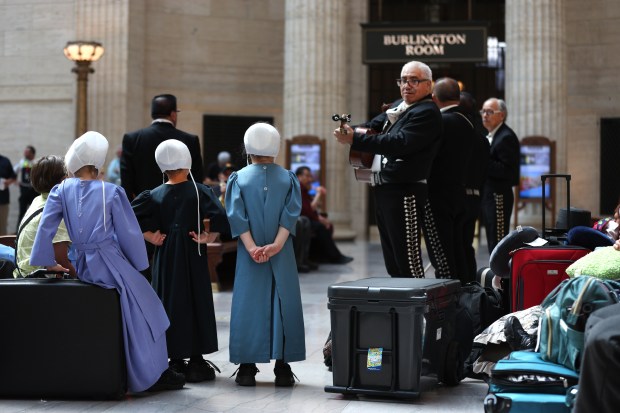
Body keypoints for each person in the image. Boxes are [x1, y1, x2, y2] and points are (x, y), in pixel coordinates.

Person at [30, 131, 184, 393]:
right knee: (146, 307)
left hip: (80, 263)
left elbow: (46, 228)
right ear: (97, 164)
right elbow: (129, 234)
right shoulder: (111, 191)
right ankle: (153, 373)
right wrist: (139, 264)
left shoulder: (60, 190)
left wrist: (45, 261)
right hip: (108, 263)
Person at [132, 139, 230, 383]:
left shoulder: (152, 195)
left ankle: (173, 358)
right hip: (192, 252)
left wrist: (150, 236)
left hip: (165, 256)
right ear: (187, 163)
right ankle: (196, 359)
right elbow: (221, 219)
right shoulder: (199, 191)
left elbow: (128, 218)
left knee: (168, 300)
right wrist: (208, 237)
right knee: (196, 298)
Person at [333, 60, 442, 277]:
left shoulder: (427, 112)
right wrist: (348, 130)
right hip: (385, 187)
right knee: (392, 258)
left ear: (429, 85)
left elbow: (399, 143)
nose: (406, 85)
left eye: (414, 80)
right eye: (403, 80)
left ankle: (417, 308)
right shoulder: (398, 105)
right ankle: (399, 308)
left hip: (406, 191)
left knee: (407, 259)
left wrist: (355, 139)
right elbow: (372, 126)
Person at [225, 123, 305, 387]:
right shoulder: (289, 178)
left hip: (251, 253)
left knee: (249, 303)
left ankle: (247, 368)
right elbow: (291, 216)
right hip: (281, 251)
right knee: (284, 301)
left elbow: (236, 217)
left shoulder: (238, 178)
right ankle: (283, 367)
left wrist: (252, 248)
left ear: (248, 147)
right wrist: (277, 245)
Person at [423, 77, 476, 282]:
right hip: (458, 192)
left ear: (434, 97)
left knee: (442, 255)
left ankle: (448, 301)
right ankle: (463, 296)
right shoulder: (467, 121)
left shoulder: (440, 121)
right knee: (457, 250)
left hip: (436, 195)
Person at [121, 94, 204, 201]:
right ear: (173, 114)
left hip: (143, 211)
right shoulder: (190, 140)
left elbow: (126, 181)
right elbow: (196, 181)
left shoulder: (132, 139)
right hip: (179, 210)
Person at [13, 155, 76, 278]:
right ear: (64, 180)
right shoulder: (56, 214)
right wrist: (79, 279)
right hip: (39, 282)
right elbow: (61, 261)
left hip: (23, 272)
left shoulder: (38, 199)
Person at [480, 97, 520, 254]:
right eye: (483, 111)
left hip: (499, 195)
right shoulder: (492, 135)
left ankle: (500, 276)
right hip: (490, 193)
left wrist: (481, 158)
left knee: (498, 240)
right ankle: (494, 274)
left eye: (489, 112)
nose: (485, 115)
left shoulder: (506, 137)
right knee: (491, 237)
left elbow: (506, 170)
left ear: (501, 115)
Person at [459, 91, 490, 280]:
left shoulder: (461, 135)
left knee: (459, 244)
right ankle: (470, 281)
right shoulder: (481, 137)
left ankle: (463, 282)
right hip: (475, 196)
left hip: (460, 195)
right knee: (467, 243)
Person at [295, 166, 352, 265]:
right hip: (301, 220)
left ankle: (321, 256)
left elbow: (309, 208)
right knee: (321, 226)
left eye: (310, 176)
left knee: (326, 225)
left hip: (305, 218)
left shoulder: (303, 188)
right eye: (307, 176)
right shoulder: (298, 187)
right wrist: (318, 194)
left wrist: (319, 217)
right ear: (299, 177)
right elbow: (307, 210)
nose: (310, 179)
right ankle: (335, 256)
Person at [13, 145, 39, 231]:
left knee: (34, 212)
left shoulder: (36, 163)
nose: (25, 154)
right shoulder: (22, 162)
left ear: (32, 154)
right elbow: (14, 171)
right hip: (24, 190)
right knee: (22, 212)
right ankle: (18, 232)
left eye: (27, 152)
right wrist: (15, 180)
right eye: (25, 152)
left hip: (34, 191)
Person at [0, 153, 17, 235]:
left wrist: (8, 182)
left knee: (2, 225)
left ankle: (2, 246)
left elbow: (14, 177)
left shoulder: (5, 161)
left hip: (2, 200)